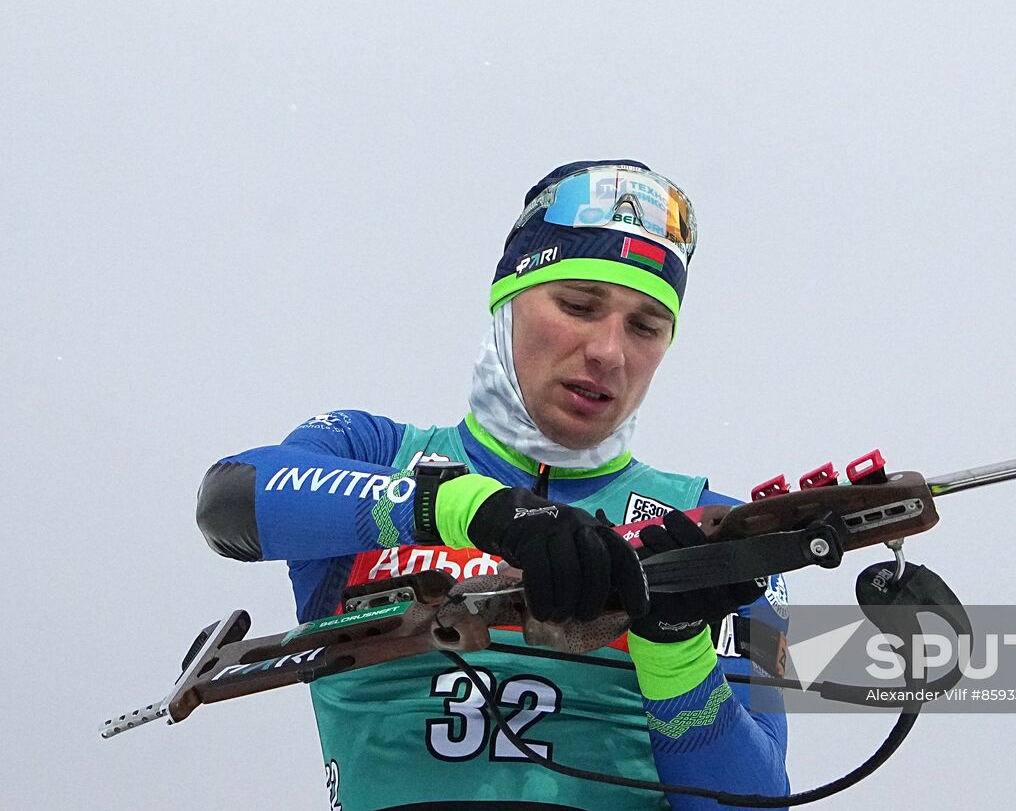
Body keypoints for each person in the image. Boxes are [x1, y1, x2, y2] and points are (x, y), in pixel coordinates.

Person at [195, 160, 791, 811]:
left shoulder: (711, 524)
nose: (609, 352)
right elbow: (230, 500)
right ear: (508, 298)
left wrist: (675, 653)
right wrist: (471, 507)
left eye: (645, 326)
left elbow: (753, 802)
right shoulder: (373, 451)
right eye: (579, 305)